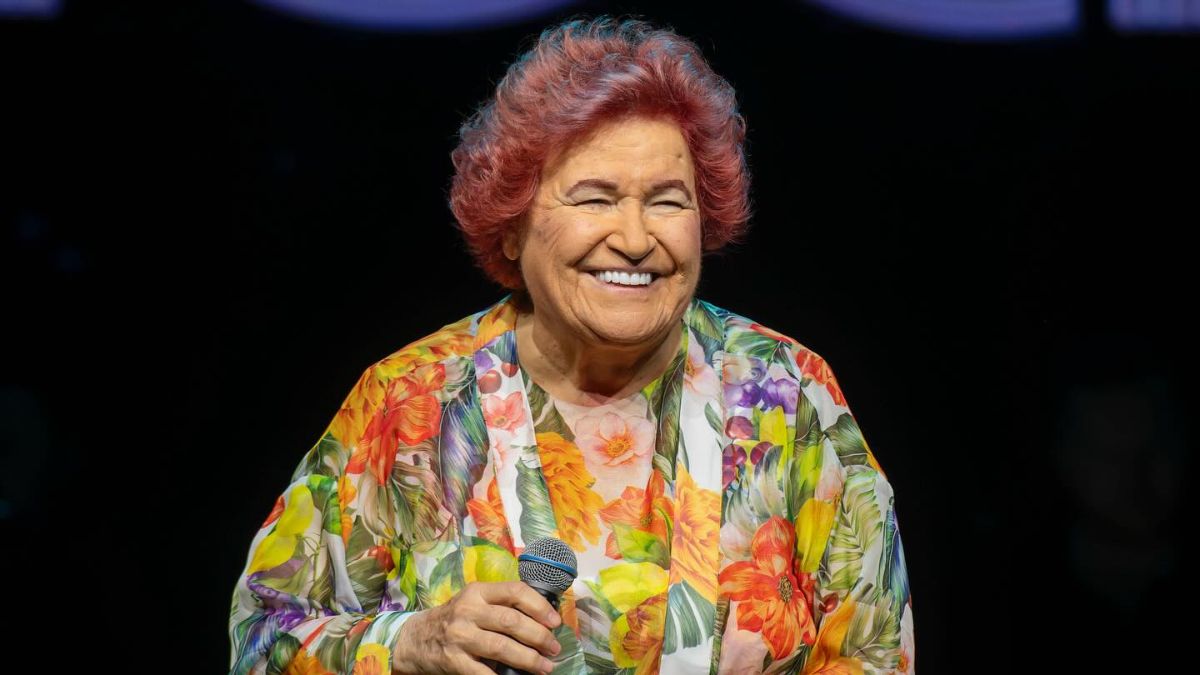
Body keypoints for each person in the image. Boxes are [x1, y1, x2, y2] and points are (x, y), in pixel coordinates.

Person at [229, 16, 913, 675]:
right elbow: (261, 636)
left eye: (667, 201)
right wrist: (408, 641)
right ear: (511, 226)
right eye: (594, 199)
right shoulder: (410, 400)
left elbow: (875, 650)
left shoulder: (788, 393)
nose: (636, 239)